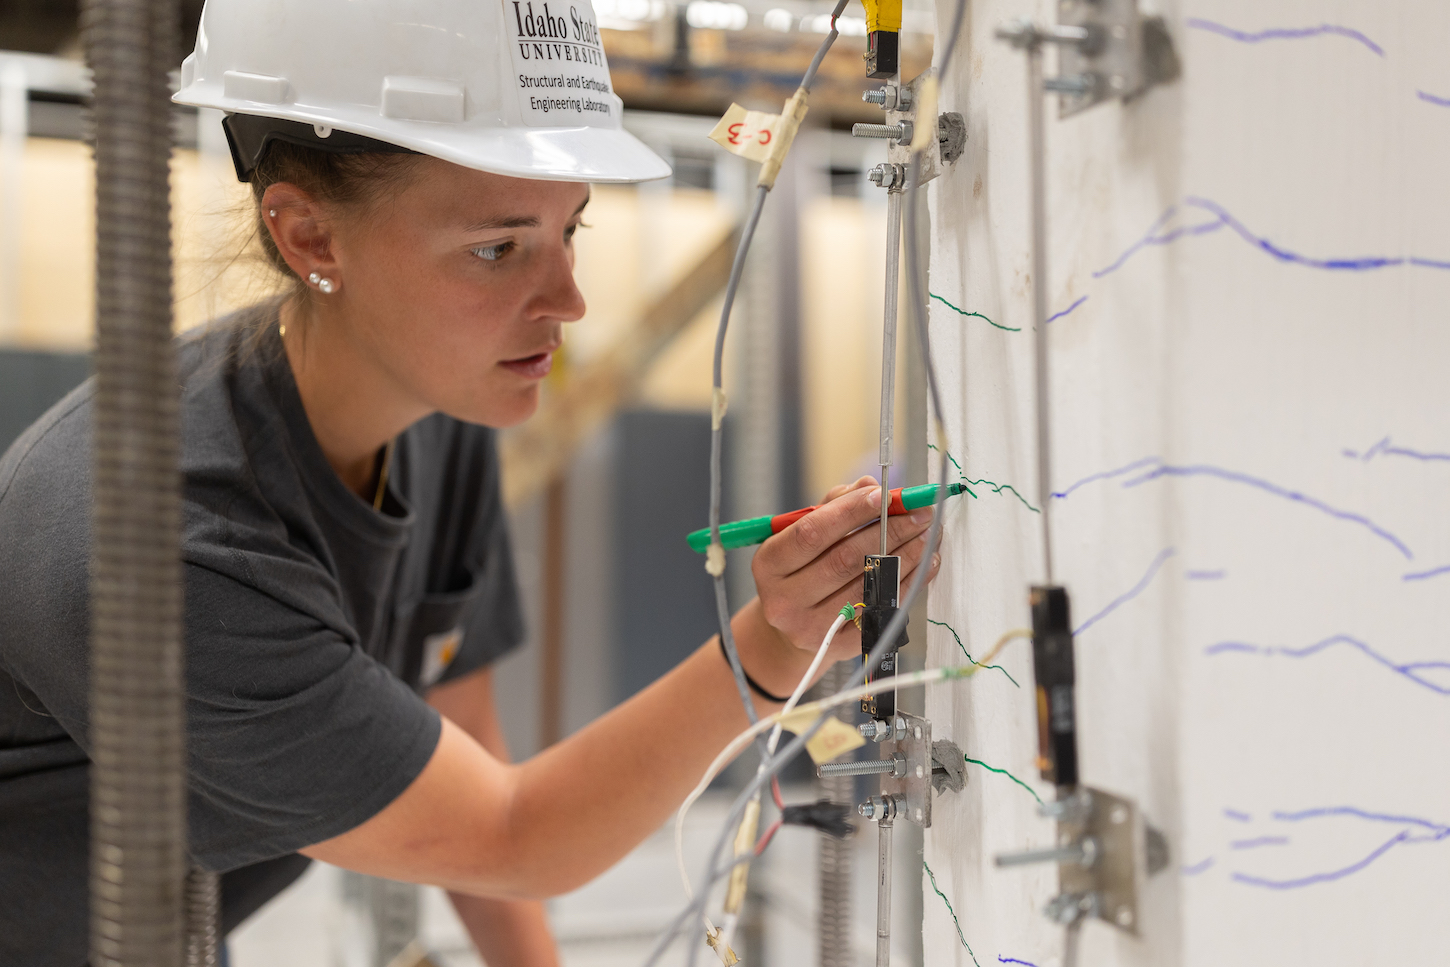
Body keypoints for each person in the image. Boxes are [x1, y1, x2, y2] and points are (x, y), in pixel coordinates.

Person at [0, 1, 937, 963]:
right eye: (497, 248)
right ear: (310, 238)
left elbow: (464, 745)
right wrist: (776, 642)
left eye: (569, 229)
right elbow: (510, 832)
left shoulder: (434, 411)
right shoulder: (163, 551)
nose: (569, 299)